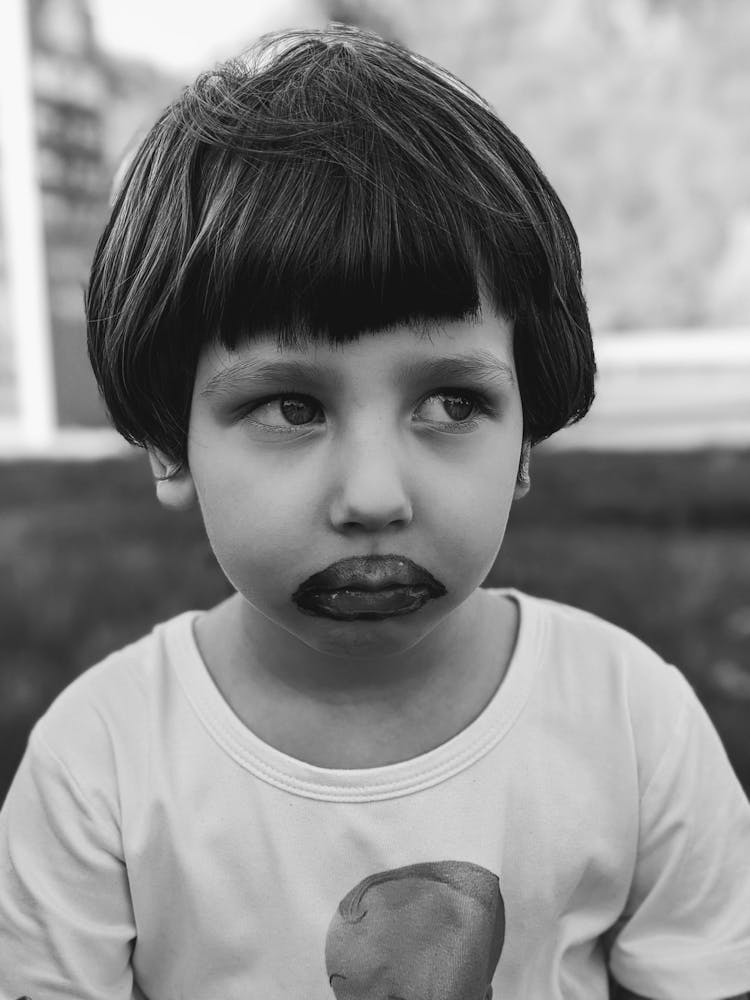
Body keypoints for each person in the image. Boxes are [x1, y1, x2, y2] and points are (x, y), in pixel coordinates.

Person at [0, 22, 748, 1000]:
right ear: (170, 442)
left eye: (451, 404)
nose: (373, 496)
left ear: (524, 440)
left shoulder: (630, 723)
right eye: (291, 407)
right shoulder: (101, 760)